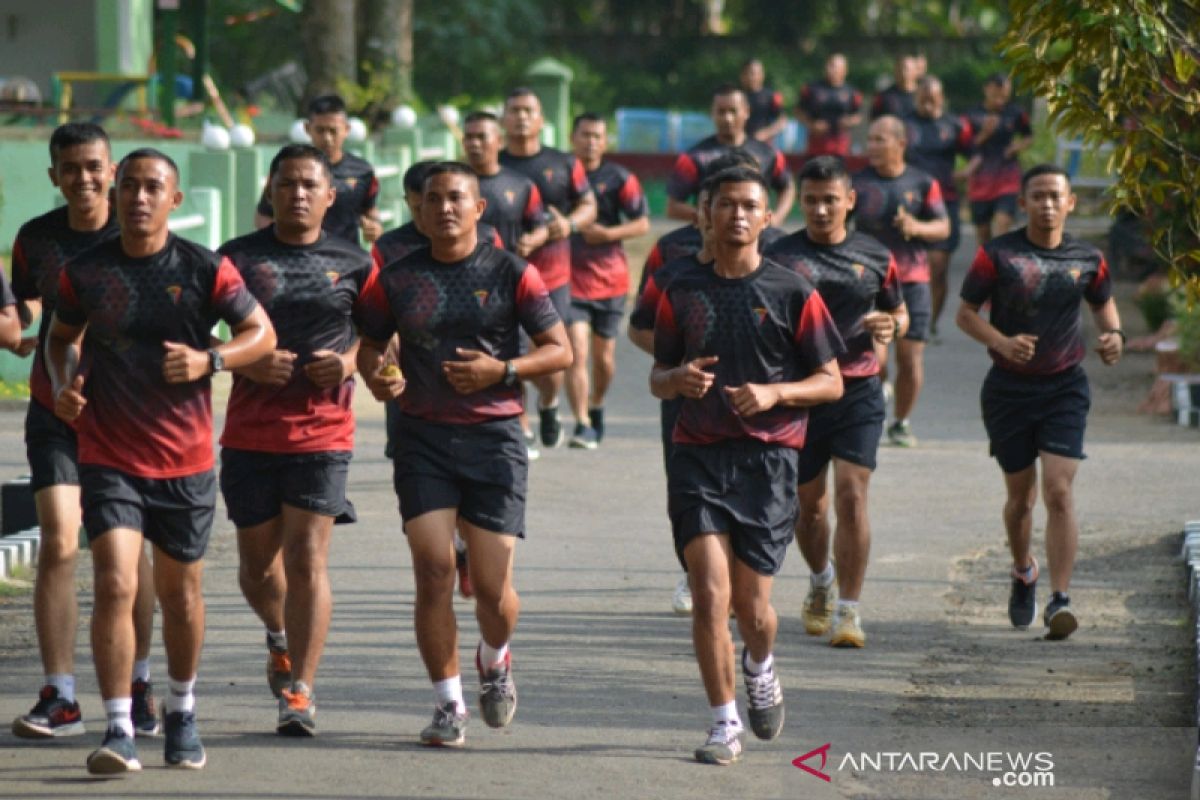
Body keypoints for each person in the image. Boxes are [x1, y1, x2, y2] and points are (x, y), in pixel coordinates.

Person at [47, 148, 275, 774]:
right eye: (129, 186)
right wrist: (65, 385)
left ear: (175, 200)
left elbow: (264, 335)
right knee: (117, 583)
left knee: (180, 596)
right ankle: (118, 725)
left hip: (185, 459)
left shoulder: (205, 269)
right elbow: (60, 338)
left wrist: (212, 361)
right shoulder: (85, 271)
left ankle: (181, 710)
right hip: (109, 453)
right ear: (116, 194)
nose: (138, 198)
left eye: (153, 188)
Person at [354, 162, 571, 747]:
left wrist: (501, 370)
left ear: (480, 209)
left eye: (457, 199)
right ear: (418, 211)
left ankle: (495, 658)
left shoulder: (512, 273)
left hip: (495, 438)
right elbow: (370, 348)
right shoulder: (395, 278)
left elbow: (560, 351)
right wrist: (381, 377)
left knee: (494, 592)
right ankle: (448, 704)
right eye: (433, 200)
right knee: (433, 572)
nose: (444, 208)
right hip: (423, 437)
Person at [651, 167, 844, 765]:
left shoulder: (793, 291)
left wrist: (774, 394)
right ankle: (722, 723)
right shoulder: (678, 286)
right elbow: (658, 376)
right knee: (711, 596)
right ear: (707, 214)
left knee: (752, 610)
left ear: (766, 217)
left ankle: (760, 664)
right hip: (698, 455)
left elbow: (832, 382)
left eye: (750, 206)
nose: (737, 216)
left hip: (768, 463)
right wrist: (677, 380)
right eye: (727, 205)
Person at [9, 123, 160, 742]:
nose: (84, 179)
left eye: (94, 167)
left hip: (127, 416)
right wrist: (18, 326)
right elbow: (25, 306)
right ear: (53, 176)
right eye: (70, 169)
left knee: (126, 555)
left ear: (113, 167)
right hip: (55, 411)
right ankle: (60, 694)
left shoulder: (139, 234)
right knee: (59, 542)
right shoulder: (37, 239)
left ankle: (141, 682)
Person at [218, 144, 374, 737]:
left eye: (311, 185)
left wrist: (351, 363)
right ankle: (279, 636)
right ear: (271, 191)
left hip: (323, 432)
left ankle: (302, 691)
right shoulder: (235, 258)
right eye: (288, 184)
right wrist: (244, 365)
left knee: (308, 559)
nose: (299, 194)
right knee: (258, 569)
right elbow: (197, 336)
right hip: (251, 432)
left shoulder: (356, 262)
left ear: (331, 196)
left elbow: (382, 337)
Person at [955, 164, 1123, 641]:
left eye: (1056, 196)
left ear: (1070, 203)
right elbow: (965, 315)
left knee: (1059, 491)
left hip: (1064, 386)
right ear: (1023, 203)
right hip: (1008, 389)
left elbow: (1103, 303)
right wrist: (1002, 342)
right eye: (1038, 196)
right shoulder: (998, 255)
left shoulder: (1088, 258)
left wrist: (1114, 336)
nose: (1047, 204)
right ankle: (1023, 569)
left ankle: (1060, 598)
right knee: (1020, 499)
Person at [765, 156, 909, 648]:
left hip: (858, 388)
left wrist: (892, 327)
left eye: (831, 200)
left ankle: (850, 611)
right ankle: (821, 579)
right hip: (802, 393)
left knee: (852, 495)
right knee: (809, 510)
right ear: (800, 202)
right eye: (811, 200)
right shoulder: (779, 257)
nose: (821, 209)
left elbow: (899, 314)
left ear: (850, 200)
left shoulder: (875, 255)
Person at [500, 87, 597, 449]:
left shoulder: (564, 163)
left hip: (553, 276)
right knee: (511, 352)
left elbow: (589, 206)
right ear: (504, 119)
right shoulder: (493, 167)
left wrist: (568, 225)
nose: (522, 117)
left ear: (541, 120)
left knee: (554, 358)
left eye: (529, 110)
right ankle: (520, 424)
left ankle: (549, 402)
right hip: (504, 275)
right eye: (515, 110)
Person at [852, 115, 950, 447]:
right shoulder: (857, 183)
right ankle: (881, 383)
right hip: (870, 282)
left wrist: (917, 227)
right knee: (875, 359)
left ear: (901, 143)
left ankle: (901, 422)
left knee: (909, 358)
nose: (873, 146)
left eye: (880, 140)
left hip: (912, 281)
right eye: (870, 140)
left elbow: (943, 227)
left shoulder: (923, 183)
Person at [566, 113, 650, 448]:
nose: (591, 141)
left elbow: (642, 224)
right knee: (577, 350)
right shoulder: (559, 175)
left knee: (603, 359)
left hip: (610, 281)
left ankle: (597, 403)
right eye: (585, 135)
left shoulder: (619, 177)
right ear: (573, 138)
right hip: (568, 279)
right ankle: (582, 423)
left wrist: (608, 234)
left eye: (597, 136)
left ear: (605, 141)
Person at [256, 94, 381, 246]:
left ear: (346, 129)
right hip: (299, 258)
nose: (327, 138)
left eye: (333, 131)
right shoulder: (287, 168)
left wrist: (374, 226)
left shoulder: (363, 171)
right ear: (308, 129)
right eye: (320, 130)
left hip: (346, 260)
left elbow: (370, 210)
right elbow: (263, 216)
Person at [904, 76, 974, 337]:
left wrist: (966, 172)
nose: (928, 102)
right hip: (910, 201)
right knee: (906, 264)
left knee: (938, 265)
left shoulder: (955, 125)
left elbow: (974, 153)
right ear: (916, 97)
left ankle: (928, 324)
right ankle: (907, 318)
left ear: (942, 98)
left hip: (945, 201)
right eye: (923, 97)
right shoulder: (904, 124)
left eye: (933, 97)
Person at [666, 84, 794, 224]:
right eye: (721, 111)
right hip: (709, 243)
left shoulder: (769, 154)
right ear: (712, 113)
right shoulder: (694, 157)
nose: (727, 118)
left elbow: (787, 187)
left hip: (759, 242)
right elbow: (673, 207)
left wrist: (776, 218)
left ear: (746, 112)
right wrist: (711, 217)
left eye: (733, 111)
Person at [462, 111, 548, 257]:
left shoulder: (522, 185)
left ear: (500, 141)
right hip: (462, 275)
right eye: (469, 138)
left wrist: (531, 241)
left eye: (482, 137)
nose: (474, 143)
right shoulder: (451, 185)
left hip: (505, 274)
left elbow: (541, 227)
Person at [963, 74, 1032, 245]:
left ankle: (1000, 263)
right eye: (996, 96)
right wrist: (985, 133)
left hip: (1008, 176)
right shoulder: (971, 115)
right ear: (986, 89)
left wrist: (1017, 146)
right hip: (981, 179)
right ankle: (986, 266)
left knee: (1002, 223)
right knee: (983, 233)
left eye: (1004, 96)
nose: (1000, 100)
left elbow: (1028, 136)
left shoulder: (1015, 113)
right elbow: (966, 147)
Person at [796, 54, 864, 158]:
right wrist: (811, 125)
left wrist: (849, 122)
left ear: (844, 70)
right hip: (816, 143)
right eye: (829, 65)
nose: (830, 69)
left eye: (834, 66)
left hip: (840, 145)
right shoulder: (812, 88)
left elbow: (858, 116)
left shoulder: (852, 92)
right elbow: (798, 111)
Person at [739, 58, 787, 143]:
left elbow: (782, 121)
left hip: (763, 145)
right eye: (746, 73)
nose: (750, 77)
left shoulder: (771, 96)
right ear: (741, 76)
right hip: (739, 143)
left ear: (762, 75)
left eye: (753, 73)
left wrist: (765, 133)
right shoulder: (736, 97)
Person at [870, 54, 920, 120]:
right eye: (899, 69)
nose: (902, 72)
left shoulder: (924, 96)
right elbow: (873, 120)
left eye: (906, 69)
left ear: (916, 71)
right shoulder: (883, 96)